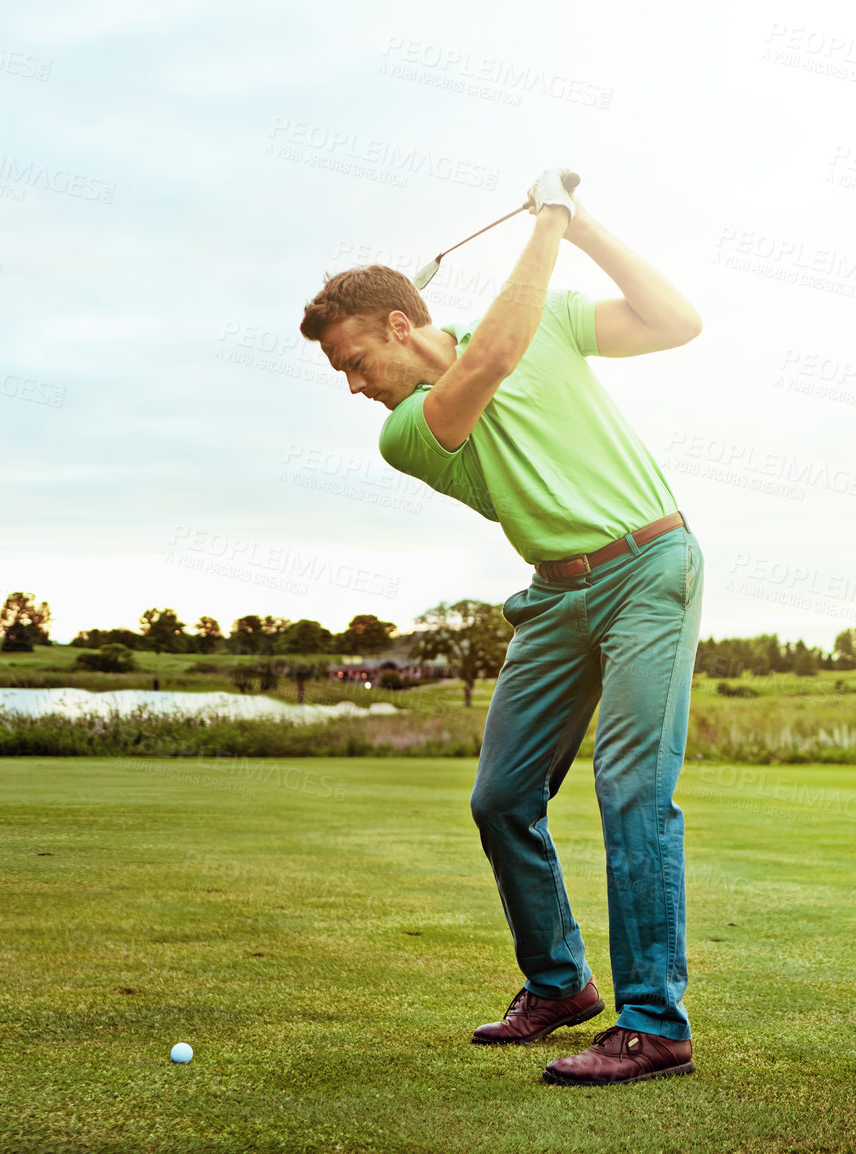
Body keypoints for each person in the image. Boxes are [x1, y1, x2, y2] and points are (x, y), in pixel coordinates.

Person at [298, 170, 706, 1086]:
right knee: (500, 798)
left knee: (632, 786)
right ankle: (560, 983)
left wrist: (585, 225)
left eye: (355, 361)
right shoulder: (406, 428)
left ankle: (654, 1026)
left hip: (650, 567)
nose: (354, 385)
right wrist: (550, 217)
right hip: (555, 597)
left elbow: (679, 322)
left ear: (399, 326)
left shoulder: (552, 317)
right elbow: (489, 362)